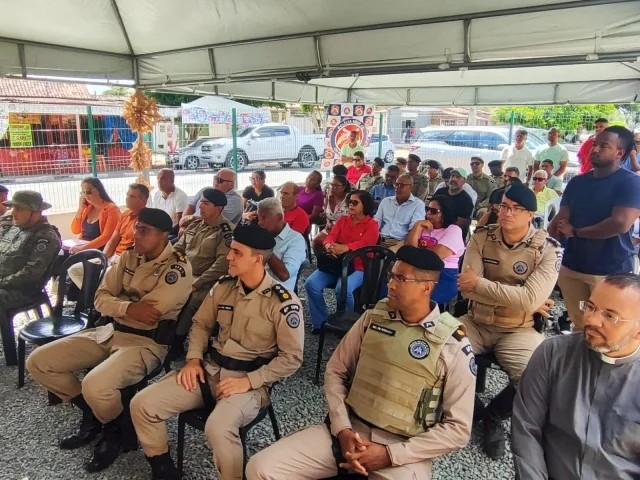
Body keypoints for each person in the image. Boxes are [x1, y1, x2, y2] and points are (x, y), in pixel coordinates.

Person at [246, 247, 476, 480]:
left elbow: (458, 428)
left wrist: (390, 455)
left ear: (426, 287)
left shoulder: (452, 343)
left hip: (403, 449)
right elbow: (336, 370)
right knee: (261, 469)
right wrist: (342, 428)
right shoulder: (374, 317)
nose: (391, 285)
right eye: (391, 276)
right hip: (349, 431)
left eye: (400, 279)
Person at [130, 225, 304, 480]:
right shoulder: (224, 286)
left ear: (257, 259)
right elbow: (201, 324)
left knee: (218, 427)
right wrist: (192, 360)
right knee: (142, 404)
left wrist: (249, 381)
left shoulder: (283, 302)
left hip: (251, 383)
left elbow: (292, 358)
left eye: (236, 252)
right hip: (209, 371)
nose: (228, 256)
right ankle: (162, 467)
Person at [26, 208, 192, 473]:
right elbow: (99, 299)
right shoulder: (129, 256)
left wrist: (118, 304)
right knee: (39, 362)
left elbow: (151, 313)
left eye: (144, 230)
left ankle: (113, 430)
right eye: (137, 228)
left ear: (163, 236)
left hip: (145, 343)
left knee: (95, 384)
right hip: (109, 331)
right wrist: (128, 308)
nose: (136, 234)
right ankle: (98, 417)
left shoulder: (178, 268)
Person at [458, 183, 562, 459]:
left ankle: (493, 416)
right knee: (434, 351)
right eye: (504, 206)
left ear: (531, 214)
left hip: (518, 328)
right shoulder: (481, 236)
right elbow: (466, 288)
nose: (507, 213)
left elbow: (527, 301)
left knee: (538, 376)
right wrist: (522, 296)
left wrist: (483, 284)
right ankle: (471, 408)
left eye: (516, 209)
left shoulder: (548, 249)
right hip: (476, 321)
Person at [512, 273, 640, 480]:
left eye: (610, 316)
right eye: (590, 307)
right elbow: (526, 428)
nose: (591, 319)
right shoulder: (553, 353)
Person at [550, 126, 640, 333]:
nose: (595, 149)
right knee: (579, 325)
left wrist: (577, 232)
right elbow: (562, 217)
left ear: (619, 153)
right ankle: (580, 365)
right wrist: (551, 240)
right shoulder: (577, 182)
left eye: (604, 146)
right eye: (595, 144)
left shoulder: (631, 183)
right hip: (573, 266)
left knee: (608, 329)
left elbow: (620, 223)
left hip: (610, 271)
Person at [0, 191, 61, 366]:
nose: (13, 212)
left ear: (34, 212)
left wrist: (1, 282)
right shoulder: (14, 228)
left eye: (19, 208)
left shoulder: (46, 236)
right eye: (12, 208)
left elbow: (31, 273)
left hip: (24, 290)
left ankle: (11, 357)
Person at [305, 191, 379, 332]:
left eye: (355, 202)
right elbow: (330, 236)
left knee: (343, 289)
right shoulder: (343, 220)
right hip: (337, 264)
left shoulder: (372, 224)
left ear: (365, 205)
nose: (351, 205)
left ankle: (347, 326)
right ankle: (321, 322)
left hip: (359, 267)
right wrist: (329, 246)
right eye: (349, 202)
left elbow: (366, 243)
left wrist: (345, 248)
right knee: (311, 284)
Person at [173, 188, 234, 350]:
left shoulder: (227, 232)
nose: (201, 206)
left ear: (218, 208)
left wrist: (196, 283)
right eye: (201, 202)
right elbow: (177, 250)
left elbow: (221, 265)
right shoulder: (195, 225)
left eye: (206, 203)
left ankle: (177, 342)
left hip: (208, 281)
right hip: (184, 273)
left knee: (191, 298)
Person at [69, 183, 149, 288]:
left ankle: (97, 298)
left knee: (100, 277)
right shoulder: (125, 214)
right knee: (74, 270)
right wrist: (104, 258)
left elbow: (136, 249)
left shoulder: (146, 219)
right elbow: (113, 239)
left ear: (143, 200)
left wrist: (117, 261)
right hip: (112, 256)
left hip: (126, 261)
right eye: (127, 195)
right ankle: (96, 298)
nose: (127, 199)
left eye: (132, 196)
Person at [406, 195, 465, 305]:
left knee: (417, 302)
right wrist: (417, 225)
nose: (428, 213)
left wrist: (416, 254)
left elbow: (434, 257)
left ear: (444, 213)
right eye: (427, 209)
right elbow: (408, 251)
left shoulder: (453, 230)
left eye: (433, 211)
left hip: (443, 276)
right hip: (419, 273)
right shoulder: (423, 227)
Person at [258, 197, 306, 291]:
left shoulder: (296, 239)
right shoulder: (263, 233)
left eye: (264, 218)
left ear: (279, 217)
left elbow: (284, 275)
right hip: (255, 288)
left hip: (277, 294)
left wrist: (265, 247)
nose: (260, 223)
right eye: (259, 218)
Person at [374, 174, 425, 250]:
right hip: (381, 240)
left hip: (400, 242)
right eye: (396, 184)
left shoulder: (418, 205)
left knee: (388, 257)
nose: (397, 187)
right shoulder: (386, 201)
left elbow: (414, 229)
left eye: (401, 185)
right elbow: (376, 222)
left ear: (411, 187)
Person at [70, 177, 121, 253]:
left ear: (99, 190)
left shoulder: (111, 209)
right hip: (83, 247)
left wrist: (83, 248)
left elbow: (106, 237)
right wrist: (80, 210)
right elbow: (75, 230)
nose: (85, 195)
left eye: (88, 191)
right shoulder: (87, 209)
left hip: (98, 250)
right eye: (83, 192)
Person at [433, 168, 475, 240]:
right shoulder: (440, 192)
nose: (454, 179)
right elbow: (431, 209)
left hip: (452, 234)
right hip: (434, 228)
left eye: (458, 177)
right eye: (452, 176)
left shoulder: (467, 200)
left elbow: (459, 224)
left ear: (464, 180)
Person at [313, 174, 350, 250]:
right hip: (331, 227)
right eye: (332, 185)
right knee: (316, 241)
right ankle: (323, 261)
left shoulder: (349, 199)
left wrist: (336, 227)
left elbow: (352, 218)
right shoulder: (329, 196)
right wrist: (328, 223)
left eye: (336, 186)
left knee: (333, 244)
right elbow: (327, 215)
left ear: (343, 187)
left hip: (346, 228)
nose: (333, 188)